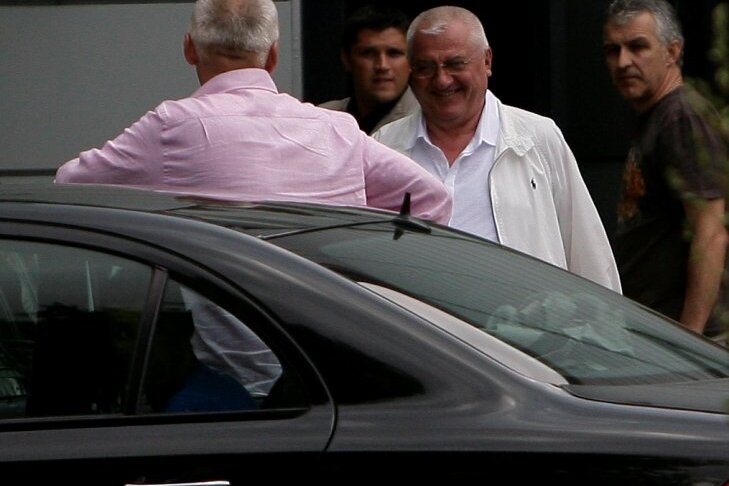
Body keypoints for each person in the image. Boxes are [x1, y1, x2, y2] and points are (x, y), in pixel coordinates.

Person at [55, 0, 452, 226]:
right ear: (273, 56)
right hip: (332, 337)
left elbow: (69, 185)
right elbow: (430, 198)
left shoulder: (171, 127)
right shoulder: (337, 130)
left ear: (190, 49)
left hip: (229, 348)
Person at [373, 6, 621, 293]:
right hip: (413, 320)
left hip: (524, 321)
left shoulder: (536, 139)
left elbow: (588, 253)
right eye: (426, 68)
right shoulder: (383, 147)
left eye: (455, 63)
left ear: (487, 61)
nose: (442, 80)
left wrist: (606, 318)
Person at [603, 0, 728, 340]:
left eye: (637, 47)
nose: (623, 62)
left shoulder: (680, 116)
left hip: (690, 341)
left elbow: (711, 231)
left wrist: (691, 338)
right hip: (658, 334)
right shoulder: (657, 116)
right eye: (613, 50)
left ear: (672, 51)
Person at [319, 4, 418, 134]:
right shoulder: (322, 118)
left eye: (394, 53)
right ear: (346, 59)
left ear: (412, 60)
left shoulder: (428, 121)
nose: (382, 65)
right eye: (368, 53)